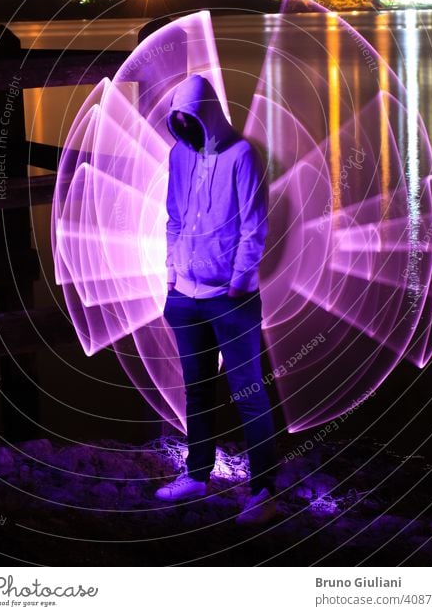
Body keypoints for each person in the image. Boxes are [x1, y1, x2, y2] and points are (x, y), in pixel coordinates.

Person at [156, 73, 278, 524]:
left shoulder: (243, 155)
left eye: (191, 119)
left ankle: (264, 489)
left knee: (248, 393)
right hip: (184, 297)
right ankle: (197, 474)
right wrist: (171, 274)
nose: (185, 127)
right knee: (197, 392)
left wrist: (241, 282)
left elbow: (254, 224)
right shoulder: (177, 155)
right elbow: (172, 216)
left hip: (230, 298)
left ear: (208, 114)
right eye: (178, 121)